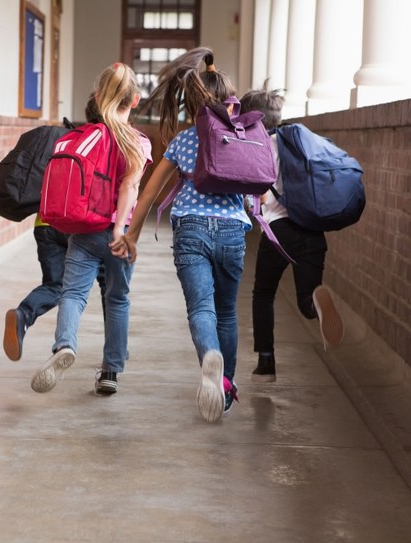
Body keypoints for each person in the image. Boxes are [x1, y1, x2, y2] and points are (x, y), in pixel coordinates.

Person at [110, 47, 245, 423]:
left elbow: (150, 192)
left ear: (192, 103)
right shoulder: (244, 137)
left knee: (201, 308)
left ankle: (209, 357)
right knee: (227, 312)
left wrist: (131, 235)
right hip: (234, 229)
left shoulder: (184, 142)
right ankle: (227, 385)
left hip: (191, 230)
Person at [31, 62, 152, 396]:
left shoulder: (86, 136)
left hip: (84, 230)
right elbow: (129, 188)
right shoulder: (137, 142)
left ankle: (65, 345)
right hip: (119, 234)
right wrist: (119, 231)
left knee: (72, 294)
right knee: (117, 299)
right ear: (136, 100)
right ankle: (110, 371)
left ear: (99, 97)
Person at [239, 87, 344, 383]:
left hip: (279, 232)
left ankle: (266, 362)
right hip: (312, 229)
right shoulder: (300, 143)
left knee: (263, 293)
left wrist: (251, 207)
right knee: (304, 298)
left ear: (253, 120)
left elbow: (255, 197)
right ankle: (317, 308)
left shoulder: (259, 149)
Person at [3, 95, 107, 362]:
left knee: (56, 284)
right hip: (78, 226)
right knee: (110, 284)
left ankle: (24, 314)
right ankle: (113, 349)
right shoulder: (103, 142)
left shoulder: (64, 138)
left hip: (45, 223)